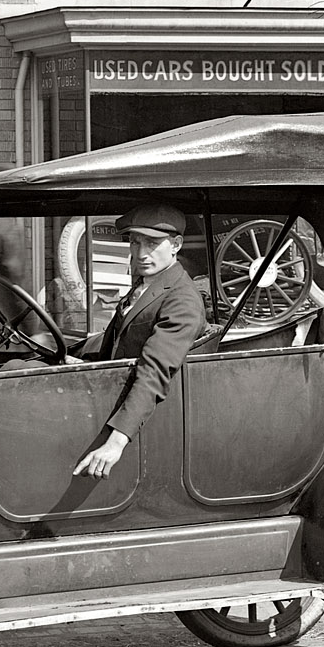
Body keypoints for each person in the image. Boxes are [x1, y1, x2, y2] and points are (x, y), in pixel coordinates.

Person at [72, 204, 205, 478]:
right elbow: (121, 339)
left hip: (126, 414)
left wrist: (116, 442)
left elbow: (154, 370)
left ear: (176, 245)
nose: (142, 253)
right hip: (106, 393)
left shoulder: (181, 299)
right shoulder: (147, 284)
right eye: (135, 242)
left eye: (153, 243)